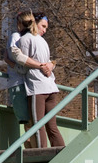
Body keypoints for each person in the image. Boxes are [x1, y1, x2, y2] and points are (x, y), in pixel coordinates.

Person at [16, 10, 65, 148]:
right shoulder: (43, 42)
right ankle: (62, 154)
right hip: (51, 88)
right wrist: (49, 65)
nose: (44, 30)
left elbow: (24, 64)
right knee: (52, 127)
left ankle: (41, 157)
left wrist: (13, 64)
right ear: (35, 23)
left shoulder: (25, 39)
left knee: (37, 126)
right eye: (43, 26)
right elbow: (48, 61)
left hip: (37, 88)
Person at [5, 11, 54, 147]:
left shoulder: (35, 40)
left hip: (29, 84)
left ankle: (33, 154)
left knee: (33, 125)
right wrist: (42, 66)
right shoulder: (17, 37)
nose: (44, 30)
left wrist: (49, 64)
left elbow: (37, 60)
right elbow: (22, 62)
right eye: (43, 26)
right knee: (30, 124)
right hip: (20, 84)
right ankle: (32, 155)